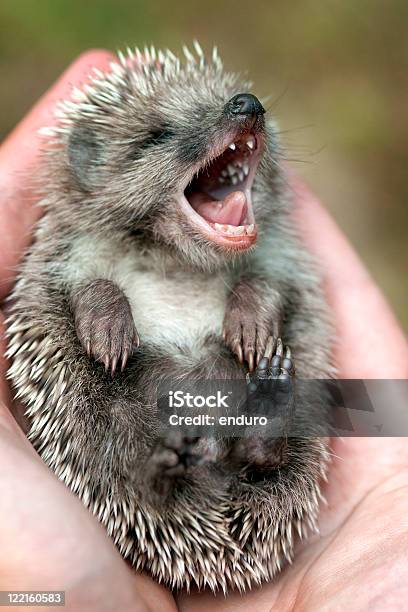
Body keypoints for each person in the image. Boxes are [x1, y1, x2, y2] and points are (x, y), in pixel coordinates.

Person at [0, 51, 406, 612]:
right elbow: (60, 308)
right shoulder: (80, 253)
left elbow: (284, 296)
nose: (244, 116)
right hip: (141, 433)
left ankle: (262, 441)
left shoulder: (264, 256)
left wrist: (252, 298)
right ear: (91, 168)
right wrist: (98, 298)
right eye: (163, 134)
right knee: (119, 402)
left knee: (274, 351)